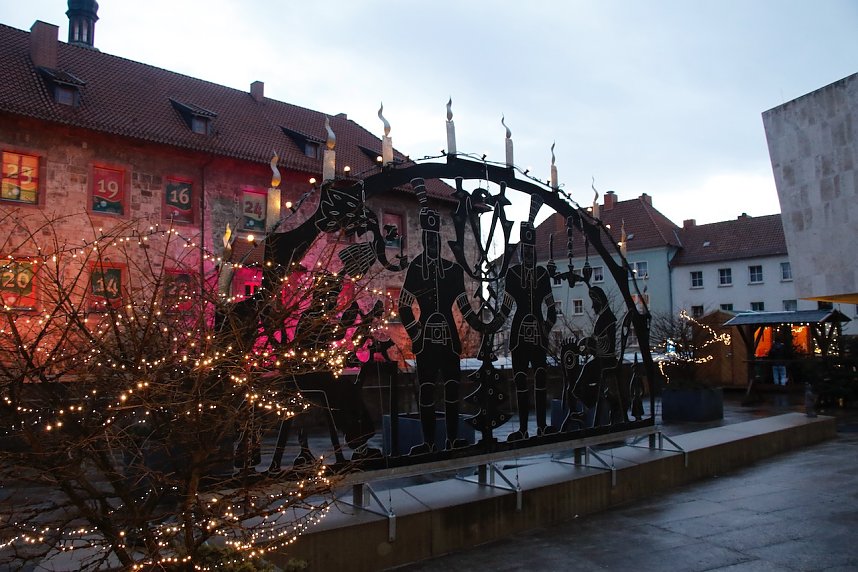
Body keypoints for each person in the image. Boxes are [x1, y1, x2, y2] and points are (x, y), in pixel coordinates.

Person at [398, 178, 483, 454]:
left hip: (448, 340)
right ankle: (429, 442)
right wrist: (417, 335)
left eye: (435, 238)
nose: (431, 241)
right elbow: (403, 306)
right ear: (424, 238)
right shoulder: (415, 268)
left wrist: (484, 324)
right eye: (428, 238)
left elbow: (464, 306)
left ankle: (451, 438)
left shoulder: (452, 270)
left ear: (439, 239)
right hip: (425, 342)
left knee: (451, 391)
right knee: (426, 391)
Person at [504, 207, 557, 440]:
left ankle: (541, 426)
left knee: (541, 380)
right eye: (524, 250)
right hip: (519, 336)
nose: (527, 254)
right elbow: (506, 308)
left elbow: (552, 308)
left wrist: (546, 326)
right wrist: (490, 326)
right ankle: (524, 428)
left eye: (530, 250)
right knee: (521, 383)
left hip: (538, 336)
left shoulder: (542, 275)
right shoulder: (513, 275)